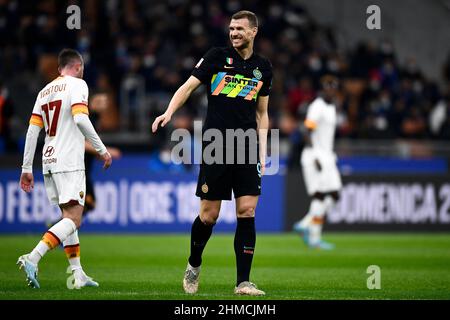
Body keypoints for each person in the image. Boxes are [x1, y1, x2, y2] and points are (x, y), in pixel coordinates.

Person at [152, 10, 272, 296]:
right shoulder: (217, 57)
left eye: (240, 29)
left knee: (247, 210)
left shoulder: (263, 68)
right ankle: (194, 265)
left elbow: (263, 114)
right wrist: (169, 112)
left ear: (253, 32)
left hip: (246, 147)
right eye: (231, 29)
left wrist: (263, 150)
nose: (234, 33)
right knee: (209, 216)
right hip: (216, 145)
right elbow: (189, 86)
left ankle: (243, 282)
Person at [17, 49, 112, 289]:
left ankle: (78, 275)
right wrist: (102, 149)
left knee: (67, 217)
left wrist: (26, 167)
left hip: (48, 160)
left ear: (60, 68)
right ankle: (33, 257)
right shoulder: (78, 85)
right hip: (69, 160)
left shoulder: (44, 91)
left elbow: (32, 131)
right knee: (75, 220)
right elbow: (80, 119)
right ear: (78, 67)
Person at [293, 75, 342, 250]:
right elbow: (306, 131)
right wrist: (315, 155)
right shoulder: (317, 106)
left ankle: (306, 224)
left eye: (334, 87)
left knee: (334, 195)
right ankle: (314, 237)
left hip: (328, 156)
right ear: (323, 88)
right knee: (321, 195)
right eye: (328, 87)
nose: (331, 90)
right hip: (317, 157)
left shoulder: (332, 107)